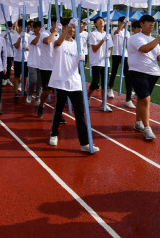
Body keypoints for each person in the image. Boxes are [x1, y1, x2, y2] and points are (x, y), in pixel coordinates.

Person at [48, 18, 98, 153]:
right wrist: (66, 29)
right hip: (61, 81)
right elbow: (58, 43)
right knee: (58, 110)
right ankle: (54, 133)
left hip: (75, 82)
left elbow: (80, 64)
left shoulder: (77, 44)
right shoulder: (57, 40)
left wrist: (82, 61)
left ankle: (84, 143)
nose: (72, 30)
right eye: (69, 27)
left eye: (73, 28)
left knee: (80, 114)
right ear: (63, 28)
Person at [127, 14, 160, 141]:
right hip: (138, 71)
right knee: (146, 99)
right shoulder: (135, 38)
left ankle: (138, 122)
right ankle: (147, 128)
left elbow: (159, 58)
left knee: (142, 99)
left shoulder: (153, 40)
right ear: (141, 24)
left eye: (153, 22)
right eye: (148, 22)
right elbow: (144, 49)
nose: (151, 24)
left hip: (153, 72)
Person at [87, 17, 113, 112]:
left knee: (104, 84)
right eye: (99, 21)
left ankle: (104, 103)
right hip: (96, 62)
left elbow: (109, 48)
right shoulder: (92, 35)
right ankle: (87, 97)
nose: (102, 22)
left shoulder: (107, 35)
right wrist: (103, 40)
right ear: (95, 24)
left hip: (105, 62)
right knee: (95, 83)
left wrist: (109, 53)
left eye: (103, 20)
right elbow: (94, 48)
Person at [36, 17, 59, 118]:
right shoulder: (44, 33)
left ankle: (58, 113)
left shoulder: (60, 36)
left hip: (57, 66)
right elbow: (48, 41)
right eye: (57, 23)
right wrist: (55, 31)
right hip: (46, 67)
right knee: (47, 90)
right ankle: (41, 105)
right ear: (53, 22)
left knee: (59, 91)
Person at [109, 16, 129, 100]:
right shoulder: (114, 29)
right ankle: (110, 89)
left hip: (124, 54)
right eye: (122, 22)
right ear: (119, 22)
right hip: (116, 53)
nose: (124, 24)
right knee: (114, 72)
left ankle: (129, 91)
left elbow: (128, 44)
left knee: (127, 74)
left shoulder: (127, 32)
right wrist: (123, 23)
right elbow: (117, 32)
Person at [11, 20, 29, 99]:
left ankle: (24, 89)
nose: (24, 28)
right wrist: (20, 38)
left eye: (25, 27)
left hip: (26, 58)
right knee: (17, 76)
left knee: (25, 76)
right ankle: (16, 92)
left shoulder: (28, 36)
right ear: (19, 27)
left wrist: (26, 47)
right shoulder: (14, 35)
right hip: (18, 58)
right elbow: (16, 46)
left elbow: (30, 47)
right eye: (22, 27)